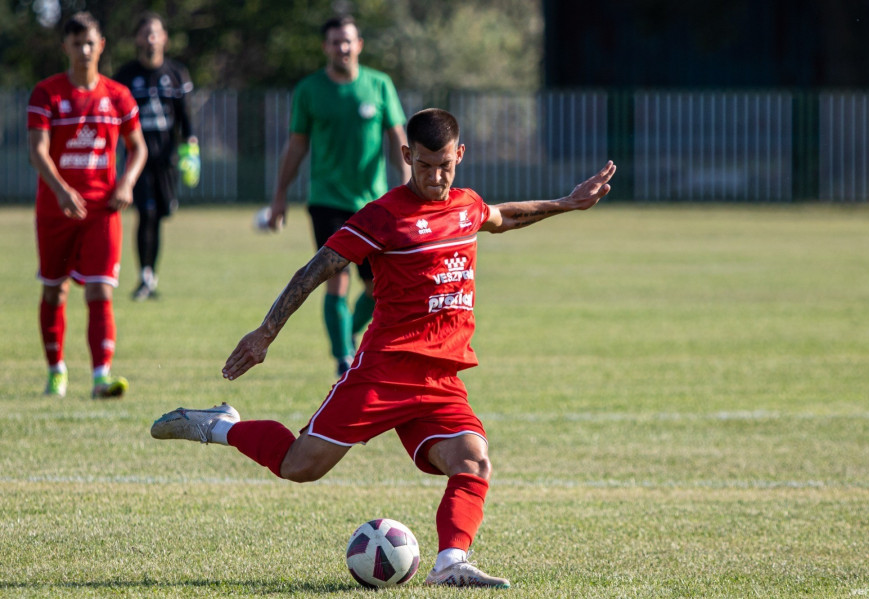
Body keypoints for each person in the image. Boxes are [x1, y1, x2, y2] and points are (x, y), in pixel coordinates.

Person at [151, 108, 616, 587]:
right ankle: (223, 426)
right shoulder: (383, 216)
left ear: (459, 155)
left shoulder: (467, 205)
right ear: (406, 155)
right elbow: (314, 272)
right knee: (299, 466)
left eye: (444, 166)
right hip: (384, 373)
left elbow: (503, 216)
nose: (435, 177)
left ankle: (451, 562)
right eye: (424, 166)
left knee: (473, 460)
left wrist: (567, 202)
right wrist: (265, 332)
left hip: (440, 379)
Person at [267, 15, 410, 376]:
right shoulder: (310, 90)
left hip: (373, 203)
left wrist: (409, 185)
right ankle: (343, 357)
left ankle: (348, 337)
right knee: (337, 278)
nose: (342, 47)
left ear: (359, 44)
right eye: (335, 42)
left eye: (347, 41)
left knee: (378, 286)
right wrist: (280, 194)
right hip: (327, 201)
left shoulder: (379, 85)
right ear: (325, 47)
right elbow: (297, 145)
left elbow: (398, 138)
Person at [27, 11, 147, 398]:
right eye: (76, 43)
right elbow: (37, 149)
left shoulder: (118, 96)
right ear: (65, 46)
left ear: (101, 46)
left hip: (102, 210)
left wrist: (126, 182)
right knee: (54, 291)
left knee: (100, 291)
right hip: (56, 209)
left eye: (90, 42)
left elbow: (138, 146)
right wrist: (61, 190)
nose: (84, 50)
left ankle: (100, 377)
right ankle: (56, 371)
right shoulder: (47, 93)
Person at [114, 11, 198, 301]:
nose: (150, 39)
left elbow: (186, 118)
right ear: (138, 38)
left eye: (156, 33)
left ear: (165, 39)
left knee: (161, 214)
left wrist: (191, 151)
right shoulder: (125, 76)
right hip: (138, 160)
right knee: (146, 213)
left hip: (168, 160)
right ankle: (145, 276)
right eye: (145, 33)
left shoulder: (176, 74)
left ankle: (150, 273)